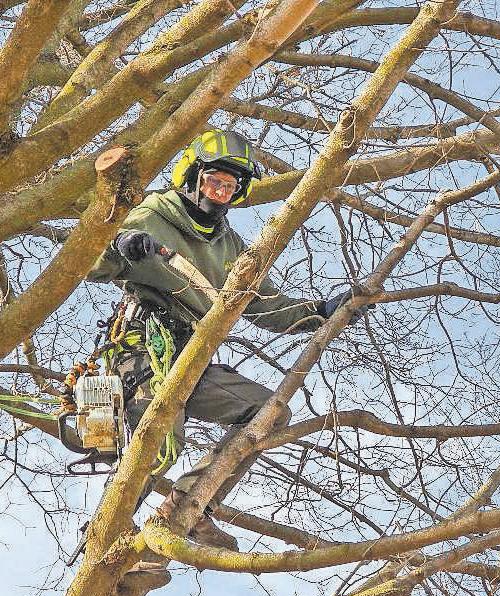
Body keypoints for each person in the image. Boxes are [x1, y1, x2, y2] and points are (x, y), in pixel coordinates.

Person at [88, 129, 369, 550]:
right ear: (192, 176)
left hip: (194, 355)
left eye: (230, 186)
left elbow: (266, 307)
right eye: (214, 181)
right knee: (158, 442)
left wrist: (323, 311)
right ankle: (109, 537)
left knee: (268, 413)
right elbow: (90, 264)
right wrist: (119, 246)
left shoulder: (232, 248)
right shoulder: (152, 213)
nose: (220, 192)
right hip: (144, 346)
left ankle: (187, 508)